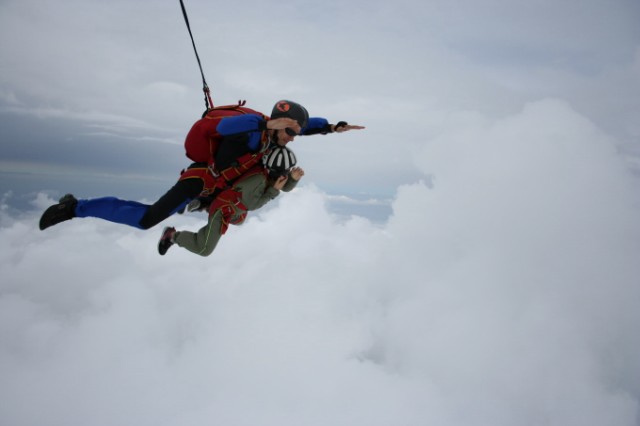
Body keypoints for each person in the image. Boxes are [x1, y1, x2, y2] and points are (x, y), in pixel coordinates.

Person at [38, 100, 364, 231]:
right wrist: (263, 124)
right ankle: (74, 207)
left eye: (295, 132)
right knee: (147, 219)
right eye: (290, 132)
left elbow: (304, 126)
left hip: (218, 185)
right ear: (277, 124)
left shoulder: (274, 134)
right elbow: (219, 128)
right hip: (201, 180)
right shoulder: (253, 130)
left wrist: (331, 127)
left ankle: (200, 204)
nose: (294, 138)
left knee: (232, 210)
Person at [157, 146, 302, 257]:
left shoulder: (265, 171)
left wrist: (292, 180)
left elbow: (280, 184)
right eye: (284, 172)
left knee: (240, 220)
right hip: (223, 209)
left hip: (235, 206)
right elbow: (252, 205)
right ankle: (171, 236)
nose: (284, 175)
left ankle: (205, 202)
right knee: (204, 249)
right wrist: (274, 191)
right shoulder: (258, 180)